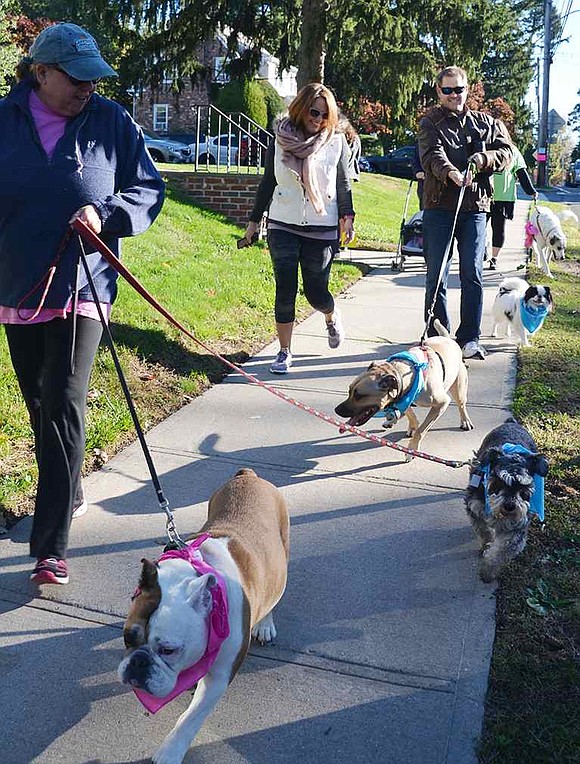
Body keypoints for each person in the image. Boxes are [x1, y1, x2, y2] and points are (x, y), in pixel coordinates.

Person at [0, 23, 165, 585]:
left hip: (83, 286)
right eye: (76, 78)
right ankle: (67, 488)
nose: (87, 88)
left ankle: (49, 546)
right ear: (40, 73)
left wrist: (107, 214)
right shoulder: (5, 121)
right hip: (18, 288)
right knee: (40, 404)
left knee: (64, 400)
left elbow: (148, 188)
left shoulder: (112, 122)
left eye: (95, 78)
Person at [243, 83, 355, 374]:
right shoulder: (280, 137)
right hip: (283, 223)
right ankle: (284, 351)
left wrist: (348, 216)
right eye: (313, 112)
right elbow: (268, 181)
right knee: (285, 288)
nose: (318, 119)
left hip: (322, 225)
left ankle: (330, 315)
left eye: (324, 114)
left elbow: (342, 184)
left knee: (316, 293)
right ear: (300, 109)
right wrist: (255, 220)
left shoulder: (335, 142)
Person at [418, 66, 513, 360]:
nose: (453, 96)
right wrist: (451, 173)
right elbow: (431, 155)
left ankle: (470, 337)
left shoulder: (487, 123)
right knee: (438, 273)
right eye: (447, 90)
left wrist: (483, 159)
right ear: (439, 91)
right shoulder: (430, 122)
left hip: (475, 208)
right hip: (438, 207)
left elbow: (507, 152)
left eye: (458, 90)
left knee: (472, 273)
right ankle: (437, 337)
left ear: (467, 90)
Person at [488, 144, 537, 270]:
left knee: (497, 229)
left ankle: (494, 257)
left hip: (501, 197)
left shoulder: (513, 151)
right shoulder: (484, 145)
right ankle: (485, 253)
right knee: (483, 229)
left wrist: (531, 191)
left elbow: (521, 173)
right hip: (485, 196)